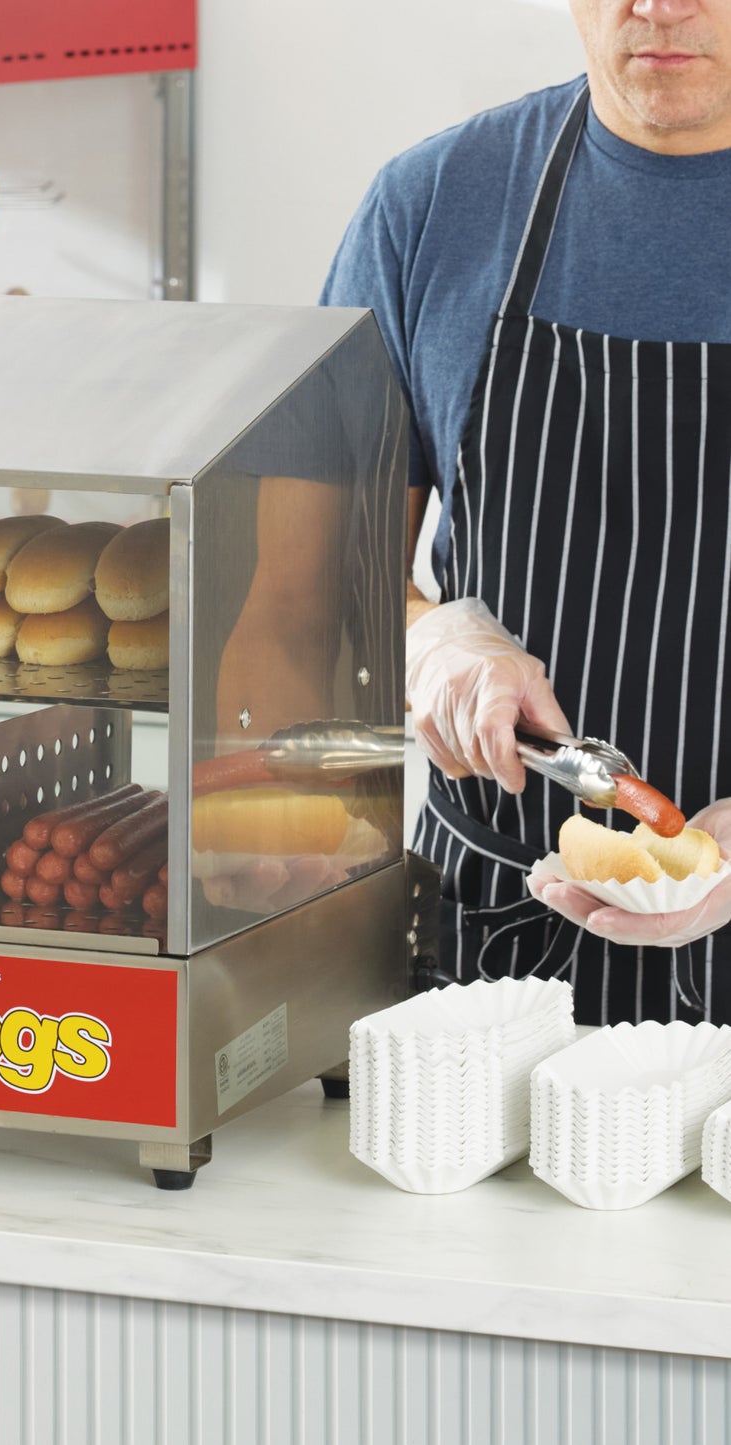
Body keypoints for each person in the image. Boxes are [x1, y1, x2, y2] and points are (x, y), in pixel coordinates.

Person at [321, 0, 731, 1023]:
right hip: (486, 960)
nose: (660, 4)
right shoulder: (432, 204)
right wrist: (424, 640)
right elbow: (308, 570)